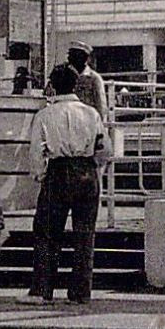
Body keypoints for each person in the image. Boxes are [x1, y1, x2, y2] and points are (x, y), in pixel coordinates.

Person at [23, 64, 108, 305]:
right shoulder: (91, 113)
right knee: (85, 234)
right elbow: (104, 147)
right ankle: (81, 291)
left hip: (58, 171)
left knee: (47, 232)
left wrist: (39, 174)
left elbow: (36, 151)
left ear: (52, 85)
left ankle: (42, 289)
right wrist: (94, 169)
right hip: (87, 170)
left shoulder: (44, 115)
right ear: (75, 85)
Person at [65, 42, 110, 123]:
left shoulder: (94, 78)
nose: (69, 59)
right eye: (70, 55)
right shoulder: (66, 76)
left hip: (88, 123)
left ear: (84, 58)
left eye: (74, 56)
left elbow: (101, 106)